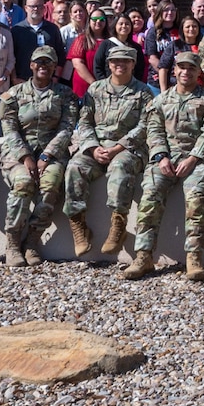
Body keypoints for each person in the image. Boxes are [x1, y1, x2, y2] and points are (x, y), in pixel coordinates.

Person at [68, 43, 153, 272]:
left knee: (120, 166)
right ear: (109, 64)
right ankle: (79, 225)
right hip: (96, 147)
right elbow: (84, 122)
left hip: (128, 149)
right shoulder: (95, 90)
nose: (120, 65)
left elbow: (144, 126)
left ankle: (118, 224)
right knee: (74, 167)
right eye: (115, 61)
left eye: (125, 61)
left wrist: (118, 147)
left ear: (133, 64)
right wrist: (93, 147)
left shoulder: (143, 92)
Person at [0, 46, 79, 268]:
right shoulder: (13, 95)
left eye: (48, 63)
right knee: (23, 183)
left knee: (51, 185)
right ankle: (13, 243)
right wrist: (26, 157)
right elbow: (10, 129)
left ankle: (32, 240)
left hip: (51, 153)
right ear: (32, 65)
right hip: (18, 154)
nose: (43, 66)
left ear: (54, 67)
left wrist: (46, 155)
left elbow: (66, 128)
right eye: (39, 62)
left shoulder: (65, 95)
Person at [144, 54, 204, 280]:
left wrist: (194, 158)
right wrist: (161, 157)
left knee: (195, 199)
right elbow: (154, 130)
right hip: (165, 160)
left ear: (199, 73)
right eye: (181, 68)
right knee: (150, 193)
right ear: (174, 71)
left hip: (195, 161)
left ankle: (194, 257)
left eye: (191, 68)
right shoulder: (160, 100)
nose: (186, 72)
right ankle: (144, 255)